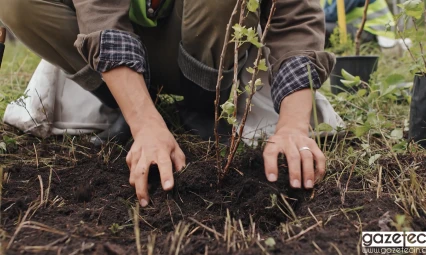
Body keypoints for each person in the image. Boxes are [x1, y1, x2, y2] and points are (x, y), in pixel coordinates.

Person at [0, 0, 336, 207]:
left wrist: (292, 125)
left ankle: (203, 105)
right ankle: (127, 106)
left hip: (210, 48)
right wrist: (144, 124)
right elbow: (100, 12)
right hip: (121, 45)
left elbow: (294, 17)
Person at [323, 0, 395, 46]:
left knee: (320, 29)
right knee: (317, 28)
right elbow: (323, 17)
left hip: (375, 33)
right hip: (358, 29)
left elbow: (331, 15)